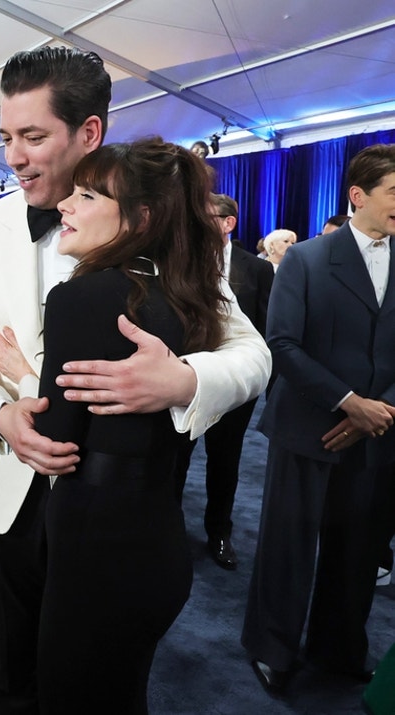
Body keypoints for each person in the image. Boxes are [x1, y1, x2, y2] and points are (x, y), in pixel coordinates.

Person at [0, 47, 270, 714]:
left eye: (33, 136)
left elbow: (253, 356)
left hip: (117, 515)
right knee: (14, 677)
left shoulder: (163, 223)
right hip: (7, 495)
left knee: (100, 682)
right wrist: (3, 418)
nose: (13, 156)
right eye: (5, 137)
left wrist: (180, 382)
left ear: (88, 132)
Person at [0, 137, 228, 713]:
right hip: (159, 534)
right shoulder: (187, 295)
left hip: (96, 547)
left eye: (88, 195)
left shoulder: (82, 297)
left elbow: (54, 440)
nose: (67, 203)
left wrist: (22, 377)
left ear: (141, 218)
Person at [242, 143, 395, 695]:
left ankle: (340, 648)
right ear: (357, 196)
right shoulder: (306, 260)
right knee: (289, 544)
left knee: (358, 549)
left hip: (380, 433)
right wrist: (349, 401)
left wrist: (377, 412)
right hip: (309, 427)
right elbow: (282, 344)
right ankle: (271, 647)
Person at [173, 193, 274, 570]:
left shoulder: (257, 270)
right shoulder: (180, 262)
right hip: (185, 381)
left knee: (225, 461)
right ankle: (170, 530)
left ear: (228, 222)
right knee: (177, 458)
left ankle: (219, 533)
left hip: (235, 388)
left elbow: (265, 330)